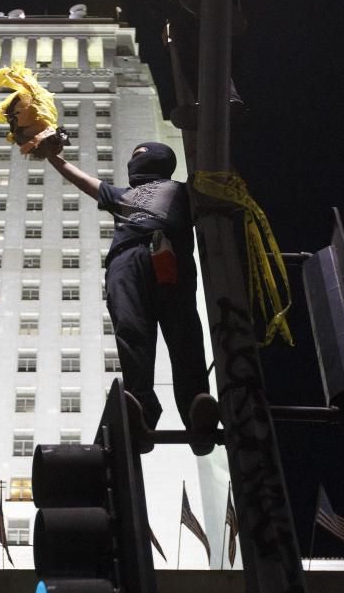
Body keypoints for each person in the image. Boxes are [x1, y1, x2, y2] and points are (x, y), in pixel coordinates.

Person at [46, 142, 217, 453]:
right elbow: (84, 181)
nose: (133, 160)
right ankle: (142, 411)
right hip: (126, 261)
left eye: (140, 154)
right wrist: (52, 157)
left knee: (184, 331)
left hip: (169, 254)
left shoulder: (185, 189)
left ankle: (196, 411)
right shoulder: (121, 194)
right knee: (131, 333)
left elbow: (217, 195)